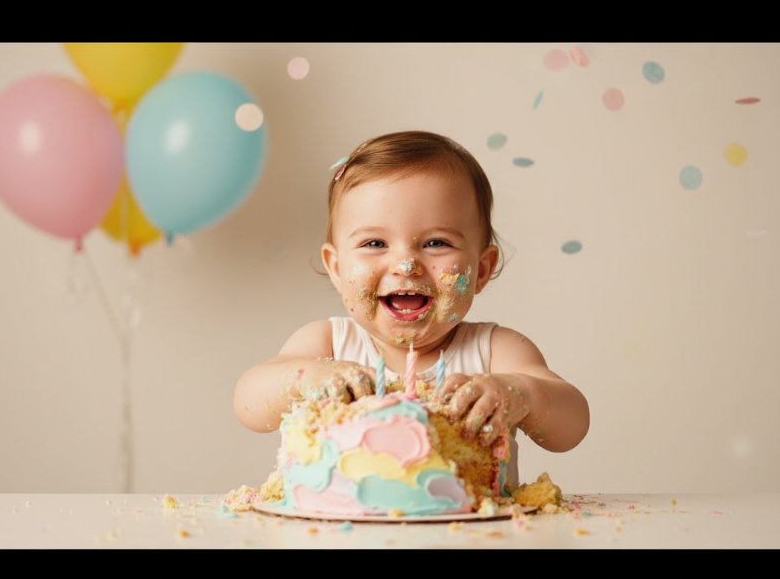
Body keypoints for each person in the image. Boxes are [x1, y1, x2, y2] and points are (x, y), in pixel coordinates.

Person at [233, 130, 589, 490]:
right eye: (375, 243)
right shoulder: (327, 344)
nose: (405, 264)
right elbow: (248, 404)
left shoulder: (495, 351)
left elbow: (571, 429)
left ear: (481, 270)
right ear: (337, 268)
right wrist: (304, 379)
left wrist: (520, 393)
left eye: (436, 243)